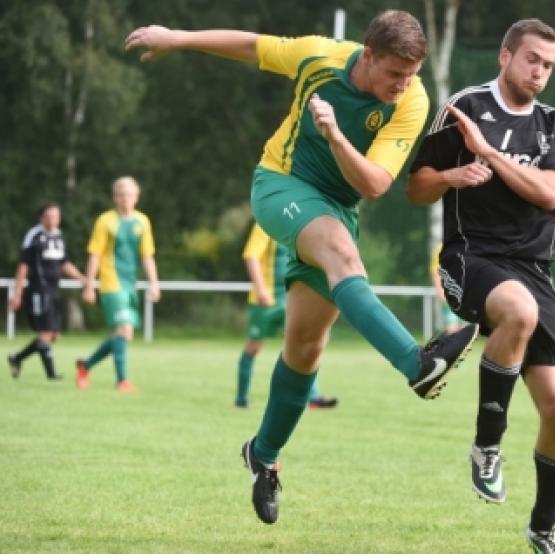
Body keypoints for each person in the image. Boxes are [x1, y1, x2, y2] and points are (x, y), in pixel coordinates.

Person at [124, 9, 479, 525]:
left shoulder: (414, 98)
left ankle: (262, 455)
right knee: (343, 256)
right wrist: (176, 37)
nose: (403, 87)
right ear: (368, 54)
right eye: (394, 75)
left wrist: (336, 137)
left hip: (337, 209)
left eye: (410, 76)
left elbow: (375, 185)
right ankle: (417, 365)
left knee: (305, 349)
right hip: (279, 186)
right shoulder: (320, 56)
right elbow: (252, 45)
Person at [407, 19, 555, 554]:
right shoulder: (464, 107)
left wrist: (491, 156)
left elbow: (550, 195)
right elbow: (416, 189)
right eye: (531, 59)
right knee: (518, 313)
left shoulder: (553, 124)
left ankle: (543, 529)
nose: (539, 72)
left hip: (534, 270)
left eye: (548, 65)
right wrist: (453, 175)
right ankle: (486, 446)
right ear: (505, 56)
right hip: (470, 257)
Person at [236, 222, 337, 410]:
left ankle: (313, 397)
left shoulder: (298, 224)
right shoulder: (265, 224)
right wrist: (261, 289)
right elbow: (251, 256)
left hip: (290, 299)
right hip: (264, 300)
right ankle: (241, 399)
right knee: (254, 346)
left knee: (305, 343)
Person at [75, 176, 160, 392]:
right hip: (111, 282)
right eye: (121, 193)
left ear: (137, 197)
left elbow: (147, 256)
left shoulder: (143, 221)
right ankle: (122, 381)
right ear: (114, 197)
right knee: (124, 329)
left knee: (124, 334)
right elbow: (94, 254)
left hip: (130, 283)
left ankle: (86, 365)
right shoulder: (105, 221)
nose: (125, 198)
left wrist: (154, 283)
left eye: (129, 193)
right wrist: (89, 285)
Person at [7, 202, 86, 381]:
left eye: (56, 216)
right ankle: (51, 374)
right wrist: (17, 293)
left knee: (53, 335)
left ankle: (17, 358)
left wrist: (81, 278)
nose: (53, 220)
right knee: (45, 333)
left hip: (53, 290)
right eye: (49, 216)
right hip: (38, 290)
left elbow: (64, 263)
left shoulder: (59, 236)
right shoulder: (34, 236)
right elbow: (23, 266)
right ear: (41, 218)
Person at [429, 243, 465, 335]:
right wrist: (440, 292)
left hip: (465, 294)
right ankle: (453, 346)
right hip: (449, 293)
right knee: (452, 326)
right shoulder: (442, 248)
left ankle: (459, 347)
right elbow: (436, 272)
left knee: (464, 329)